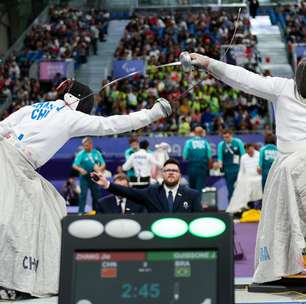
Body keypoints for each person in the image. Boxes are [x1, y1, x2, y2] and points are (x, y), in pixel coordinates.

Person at [0, 79, 172, 299]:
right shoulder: (71, 117)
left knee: (54, 205)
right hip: (11, 162)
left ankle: (30, 275)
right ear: (78, 99)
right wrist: (151, 114)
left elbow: (2, 127)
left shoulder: (32, 107)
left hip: (18, 163)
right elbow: (112, 124)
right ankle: (8, 280)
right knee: (14, 219)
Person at [189, 53, 306, 283]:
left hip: (293, 167)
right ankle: (287, 266)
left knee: (286, 220)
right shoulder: (283, 88)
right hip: (289, 167)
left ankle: (289, 263)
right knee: (283, 220)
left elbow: (245, 79)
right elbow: (244, 78)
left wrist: (209, 63)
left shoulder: (282, 86)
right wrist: (210, 63)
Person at [92, 158, 202, 213]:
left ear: (180, 175)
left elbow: (199, 222)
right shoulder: (151, 192)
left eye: (174, 170)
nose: (171, 172)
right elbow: (129, 192)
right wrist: (107, 184)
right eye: (167, 170)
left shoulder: (192, 195)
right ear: (162, 174)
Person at [226, 143, 262, 214]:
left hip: (259, 178)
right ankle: (241, 208)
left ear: (253, 148)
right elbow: (241, 171)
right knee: (240, 186)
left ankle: (258, 206)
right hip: (247, 179)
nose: (249, 154)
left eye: (251, 152)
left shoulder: (260, 155)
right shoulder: (243, 157)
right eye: (248, 152)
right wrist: (238, 180)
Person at [72, 137, 105, 214]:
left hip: (95, 177)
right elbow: (75, 165)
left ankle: (97, 211)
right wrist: (81, 169)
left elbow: (103, 164)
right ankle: (81, 212)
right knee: (83, 194)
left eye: (86, 145)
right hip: (84, 177)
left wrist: (99, 170)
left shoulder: (96, 153)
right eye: (84, 145)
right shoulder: (81, 154)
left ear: (91, 145)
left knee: (96, 195)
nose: (85, 147)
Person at [217, 129, 245, 200]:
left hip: (238, 169)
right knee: (230, 189)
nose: (226, 139)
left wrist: (244, 168)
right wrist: (220, 167)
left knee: (240, 188)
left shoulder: (238, 142)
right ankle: (231, 207)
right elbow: (220, 157)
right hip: (228, 170)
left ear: (231, 135)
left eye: (227, 137)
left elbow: (243, 155)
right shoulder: (221, 144)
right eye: (224, 137)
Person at [183, 126, 212, 192]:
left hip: (192, 167)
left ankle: (192, 202)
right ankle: (198, 202)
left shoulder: (188, 142)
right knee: (200, 188)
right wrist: (209, 168)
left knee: (192, 188)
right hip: (202, 168)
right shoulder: (206, 143)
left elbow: (184, 157)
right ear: (201, 133)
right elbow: (209, 157)